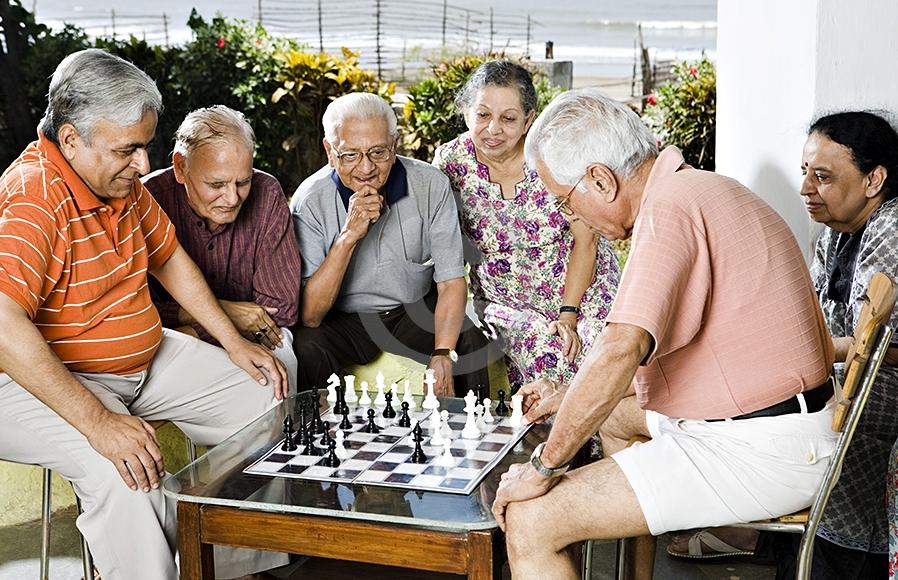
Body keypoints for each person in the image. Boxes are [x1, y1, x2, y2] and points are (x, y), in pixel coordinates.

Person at [490, 88, 837, 580]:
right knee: (611, 419)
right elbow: (648, 356)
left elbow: (621, 348)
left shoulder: (670, 208)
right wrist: (570, 396)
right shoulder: (696, 188)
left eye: (566, 202)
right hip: (780, 422)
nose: (572, 218)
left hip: (759, 447)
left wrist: (542, 468)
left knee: (531, 519)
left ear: (601, 180)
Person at [0, 49, 287, 580]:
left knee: (264, 396)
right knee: (127, 471)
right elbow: (2, 325)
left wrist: (232, 341)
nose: (141, 164)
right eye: (127, 149)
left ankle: (226, 567)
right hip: (34, 380)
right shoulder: (34, 198)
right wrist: (99, 423)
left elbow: (169, 257)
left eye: (144, 146)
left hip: (138, 362)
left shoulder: (119, 184)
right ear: (71, 139)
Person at [668, 111, 898, 580]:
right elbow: (809, 315)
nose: (806, 189)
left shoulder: (891, 230)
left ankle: (754, 528)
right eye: (805, 173)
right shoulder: (836, 235)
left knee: (749, 405)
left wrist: (813, 351)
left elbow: (874, 345)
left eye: (823, 177)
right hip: (844, 382)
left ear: (874, 180)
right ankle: (759, 529)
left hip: (881, 394)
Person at [433, 61, 619, 390]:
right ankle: (551, 427)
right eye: (482, 115)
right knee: (547, 351)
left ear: (528, 120)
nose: (493, 129)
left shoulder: (554, 155)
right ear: (466, 113)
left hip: (583, 289)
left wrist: (568, 313)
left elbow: (586, 242)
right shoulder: (450, 163)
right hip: (505, 304)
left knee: (605, 351)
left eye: (508, 119)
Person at [290, 92, 491, 396]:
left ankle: (479, 426)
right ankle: (323, 427)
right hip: (343, 319)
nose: (366, 168)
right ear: (330, 151)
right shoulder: (309, 200)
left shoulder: (431, 184)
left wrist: (442, 353)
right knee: (306, 345)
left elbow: (451, 282)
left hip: (411, 310)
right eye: (350, 155)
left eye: (378, 152)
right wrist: (348, 236)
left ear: (394, 145)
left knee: (469, 341)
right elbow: (311, 315)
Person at [144, 105, 301, 391]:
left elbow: (280, 310)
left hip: (251, 338)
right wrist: (226, 313)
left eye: (243, 182)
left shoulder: (267, 194)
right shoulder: (145, 200)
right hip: (169, 342)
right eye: (216, 184)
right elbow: (136, 312)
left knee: (277, 376)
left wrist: (193, 328)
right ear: (180, 167)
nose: (232, 198)